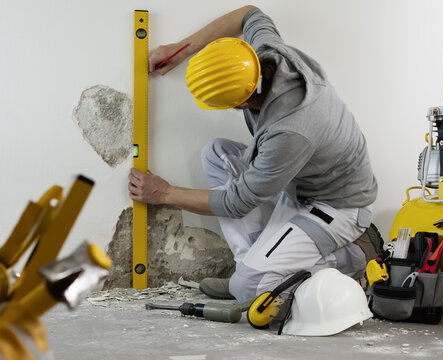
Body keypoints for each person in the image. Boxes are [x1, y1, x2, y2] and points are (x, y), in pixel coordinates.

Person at [128, 5, 378, 302]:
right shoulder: (265, 56)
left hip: (336, 207)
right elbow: (248, 13)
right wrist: (181, 50)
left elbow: (236, 202)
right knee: (216, 153)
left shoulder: (290, 129)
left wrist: (163, 193)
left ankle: (353, 258)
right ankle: (250, 265)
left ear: (242, 102)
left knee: (248, 290)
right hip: (299, 179)